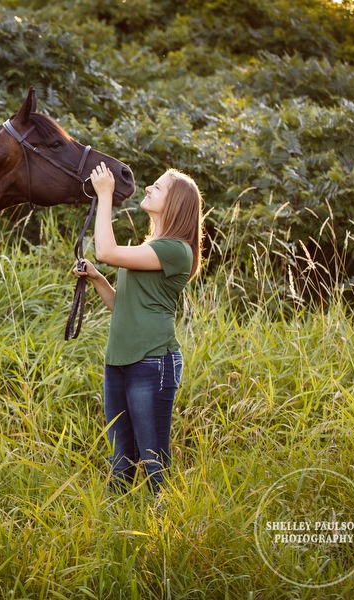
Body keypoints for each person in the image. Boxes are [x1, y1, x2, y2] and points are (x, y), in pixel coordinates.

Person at [74, 162, 204, 495]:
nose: (148, 188)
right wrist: (99, 279)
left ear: (175, 203)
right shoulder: (150, 246)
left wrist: (105, 194)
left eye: (157, 187)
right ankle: (118, 529)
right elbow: (125, 308)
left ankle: (167, 530)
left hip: (152, 363)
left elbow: (106, 251)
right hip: (119, 361)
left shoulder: (176, 250)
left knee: (154, 462)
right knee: (121, 461)